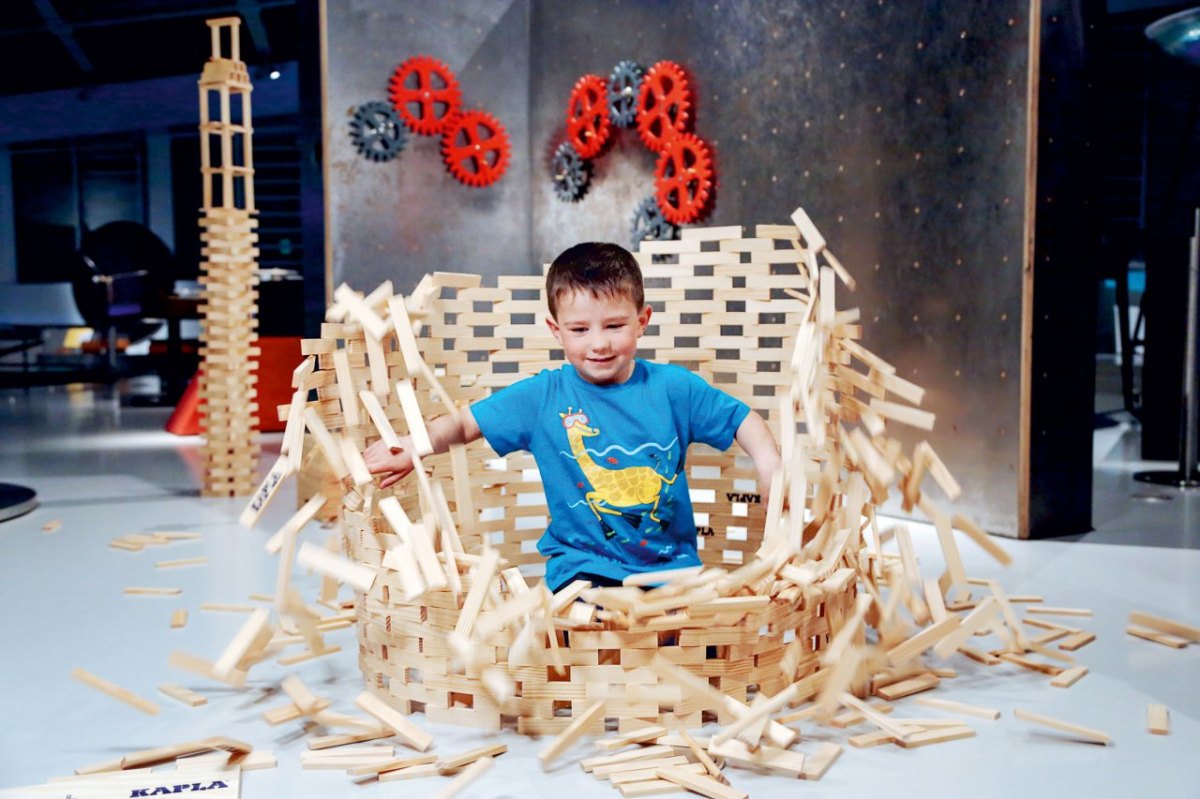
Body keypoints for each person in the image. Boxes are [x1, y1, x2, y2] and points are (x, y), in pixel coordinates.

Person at [364, 242, 781, 592]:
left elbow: (744, 420)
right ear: (556, 330)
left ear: (642, 321)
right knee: (589, 638)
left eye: (615, 325)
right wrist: (411, 447)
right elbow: (464, 424)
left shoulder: (674, 389)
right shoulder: (544, 396)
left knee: (682, 649)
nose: (598, 343)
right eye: (580, 330)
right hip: (583, 568)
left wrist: (770, 467)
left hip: (670, 568)